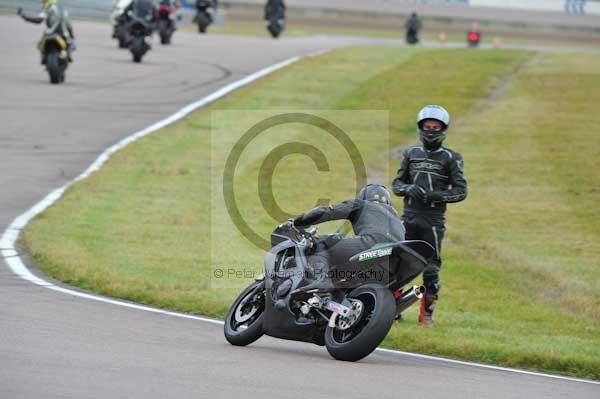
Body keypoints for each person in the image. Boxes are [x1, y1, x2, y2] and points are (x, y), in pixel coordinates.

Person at [392, 105, 467, 327]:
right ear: (420, 128)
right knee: (398, 264)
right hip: (408, 217)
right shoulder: (410, 154)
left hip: (433, 221)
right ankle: (393, 311)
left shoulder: (451, 157)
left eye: (436, 127)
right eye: (427, 127)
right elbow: (397, 184)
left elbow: (461, 191)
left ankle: (426, 315)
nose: (431, 131)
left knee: (431, 268)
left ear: (443, 129)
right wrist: (408, 189)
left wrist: (436, 196)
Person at [292, 184, 405, 292]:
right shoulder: (397, 219)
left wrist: (298, 222)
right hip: (396, 261)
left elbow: (327, 212)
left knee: (320, 242)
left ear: (363, 197)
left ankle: (321, 279)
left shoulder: (362, 204)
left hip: (372, 244)